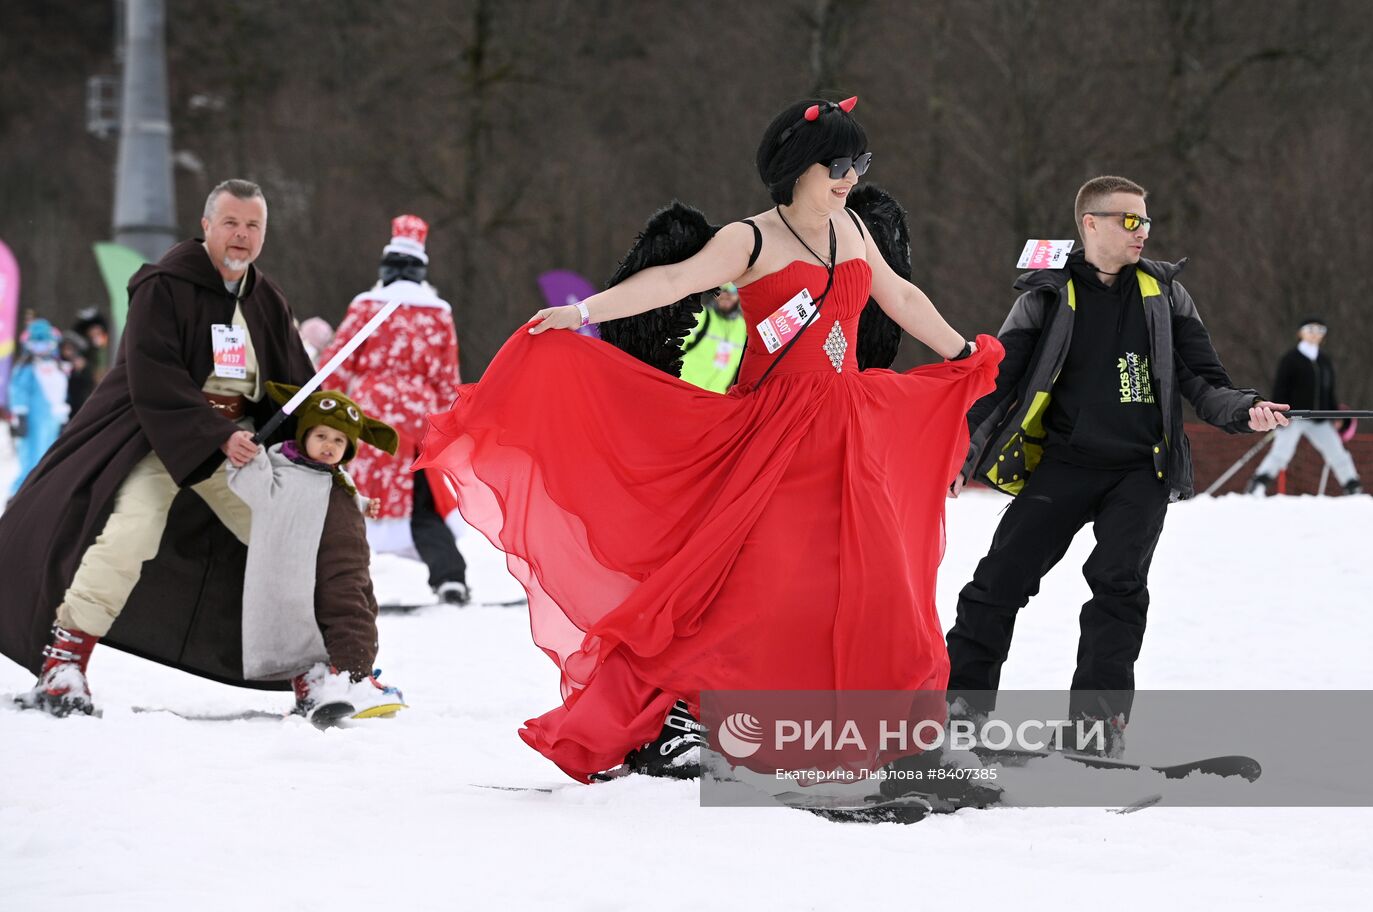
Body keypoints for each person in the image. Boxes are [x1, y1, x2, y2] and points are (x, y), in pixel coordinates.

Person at [416, 96, 1003, 787]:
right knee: (752, 584)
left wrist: (965, 351)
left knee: (877, 579)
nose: (851, 178)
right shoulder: (748, 239)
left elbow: (900, 297)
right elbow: (670, 280)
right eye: (838, 164)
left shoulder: (852, 230)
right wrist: (581, 312)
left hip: (847, 427)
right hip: (773, 436)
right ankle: (683, 714)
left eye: (859, 163)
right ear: (796, 167)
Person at [946, 175, 1287, 752]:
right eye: (1130, 221)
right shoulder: (1045, 295)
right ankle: (958, 709)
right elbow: (997, 385)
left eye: (1147, 221)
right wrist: (962, 451)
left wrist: (1245, 410)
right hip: (1065, 464)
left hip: (1140, 471)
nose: (1143, 232)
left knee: (1118, 587)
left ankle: (1097, 728)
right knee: (997, 581)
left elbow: (1203, 381)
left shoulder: (1165, 295)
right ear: (1091, 224)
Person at [0, 179, 315, 717]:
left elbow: (294, 385)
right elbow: (154, 376)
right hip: (159, 439)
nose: (242, 236)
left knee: (287, 539)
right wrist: (217, 434)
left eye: (253, 226)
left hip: (237, 450)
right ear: (207, 226)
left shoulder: (267, 299)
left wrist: (319, 434)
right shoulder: (162, 285)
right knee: (130, 533)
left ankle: (319, 670)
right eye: (232, 223)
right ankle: (64, 662)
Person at [227, 382, 404, 719]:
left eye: (339, 440)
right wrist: (249, 456)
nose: (329, 445)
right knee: (344, 617)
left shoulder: (338, 477)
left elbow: (332, 500)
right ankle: (353, 679)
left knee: (363, 613)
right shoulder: (286, 472)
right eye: (322, 435)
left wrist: (363, 505)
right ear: (305, 434)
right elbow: (258, 486)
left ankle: (345, 681)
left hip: (352, 565)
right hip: (316, 568)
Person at [321, 215, 469, 606]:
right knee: (422, 502)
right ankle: (449, 576)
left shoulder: (366, 305)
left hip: (368, 417)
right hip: (417, 420)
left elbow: (337, 365)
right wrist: (445, 425)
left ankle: (342, 583)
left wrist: (323, 413)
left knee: (357, 500)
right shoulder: (438, 312)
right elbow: (446, 378)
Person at [1247, 317, 1362, 496]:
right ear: (1301, 333)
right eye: (1311, 329)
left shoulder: (1325, 361)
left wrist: (1334, 415)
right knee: (1281, 452)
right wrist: (1281, 413)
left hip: (1320, 418)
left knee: (1337, 452)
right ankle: (1259, 484)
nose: (1315, 334)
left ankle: (1353, 486)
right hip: (1294, 417)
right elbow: (1280, 388)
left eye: (1320, 330)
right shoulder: (1290, 359)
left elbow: (1329, 391)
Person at [7, 319, 70, 497]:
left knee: (47, 458)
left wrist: (63, 418)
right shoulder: (26, 368)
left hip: (52, 422)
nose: (41, 347)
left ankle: (39, 494)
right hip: (33, 420)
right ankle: (19, 495)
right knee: (31, 458)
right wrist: (20, 415)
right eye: (37, 342)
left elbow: (60, 394)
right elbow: (18, 391)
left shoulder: (57, 367)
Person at [678, 282, 746, 392]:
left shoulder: (743, 328)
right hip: (684, 388)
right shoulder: (702, 315)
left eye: (732, 292)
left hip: (715, 397)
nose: (726, 296)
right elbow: (675, 345)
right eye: (722, 291)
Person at [59, 330, 96, 417]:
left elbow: (87, 385)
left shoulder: (82, 364)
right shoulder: (57, 363)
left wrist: (79, 371)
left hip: (76, 405)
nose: (67, 352)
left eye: (70, 349)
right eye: (65, 349)